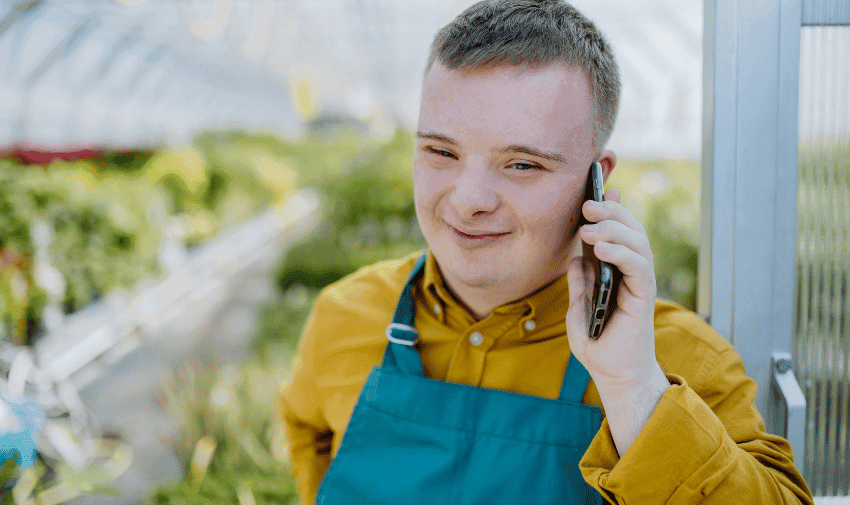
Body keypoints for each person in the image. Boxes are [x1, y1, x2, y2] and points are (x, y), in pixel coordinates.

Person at [279, 1, 814, 503]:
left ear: (595, 182)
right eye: (442, 151)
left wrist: (634, 390)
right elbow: (311, 436)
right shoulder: (344, 316)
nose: (468, 201)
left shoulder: (676, 359)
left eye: (522, 165)